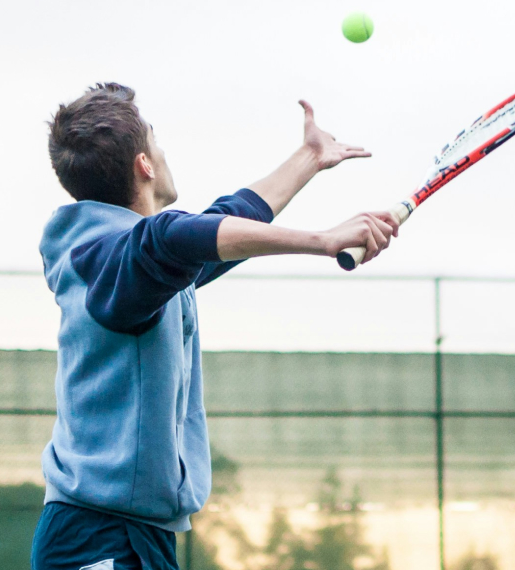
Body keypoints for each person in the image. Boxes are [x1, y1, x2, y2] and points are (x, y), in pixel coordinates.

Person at [30, 83, 399, 570]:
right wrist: (323, 239)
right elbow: (173, 238)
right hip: (98, 538)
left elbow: (220, 225)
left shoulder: (132, 268)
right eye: (156, 143)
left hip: (134, 536)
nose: (164, 154)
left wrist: (309, 158)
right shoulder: (114, 260)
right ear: (144, 165)